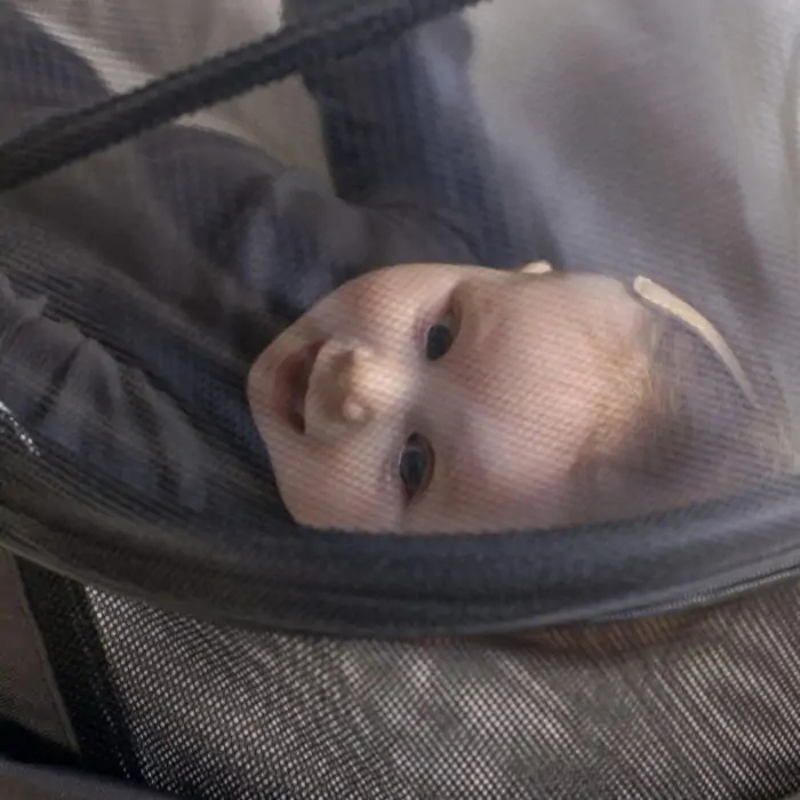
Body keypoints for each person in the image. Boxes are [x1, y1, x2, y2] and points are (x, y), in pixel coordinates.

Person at [248, 260, 791, 533]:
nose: (360, 382)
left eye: (413, 466)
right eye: (440, 336)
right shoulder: (437, 222)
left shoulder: (225, 535)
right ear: (515, 269)